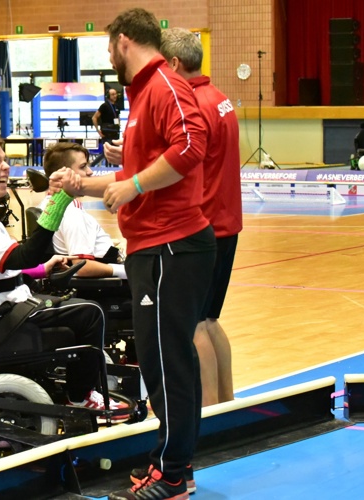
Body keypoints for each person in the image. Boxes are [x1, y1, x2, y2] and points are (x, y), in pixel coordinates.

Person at [52, 9, 215, 500]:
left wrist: (137, 183)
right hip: (155, 246)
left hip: (172, 245)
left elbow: (191, 148)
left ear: (124, 42)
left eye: (107, 49)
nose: (108, 58)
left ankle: (172, 474)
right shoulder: (143, 94)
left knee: (168, 364)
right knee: (161, 363)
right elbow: (130, 180)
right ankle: (172, 467)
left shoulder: (164, 84)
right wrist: (82, 182)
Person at [0, 131, 128, 416]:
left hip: (3, 308)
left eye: (5, 160)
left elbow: (6, 266)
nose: (6, 166)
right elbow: (24, 256)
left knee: (77, 310)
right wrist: (59, 201)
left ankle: (78, 384)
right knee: (90, 313)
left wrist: (43, 269)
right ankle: (80, 398)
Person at [161, 27, 241, 409]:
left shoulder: (192, 106)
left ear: (174, 63)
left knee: (193, 326)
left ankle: (207, 412)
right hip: (227, 223)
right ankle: (227, 400)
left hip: (203, 226)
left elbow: (179, 166)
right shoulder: (221, 98)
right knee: (209, 320)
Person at [40, 142, 125, 279]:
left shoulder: (46, 203)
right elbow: (82, 267)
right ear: (64, 173)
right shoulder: (71, 213)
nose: (90, 172)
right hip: (105, 285)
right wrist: (127, 271)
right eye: (83, 166)